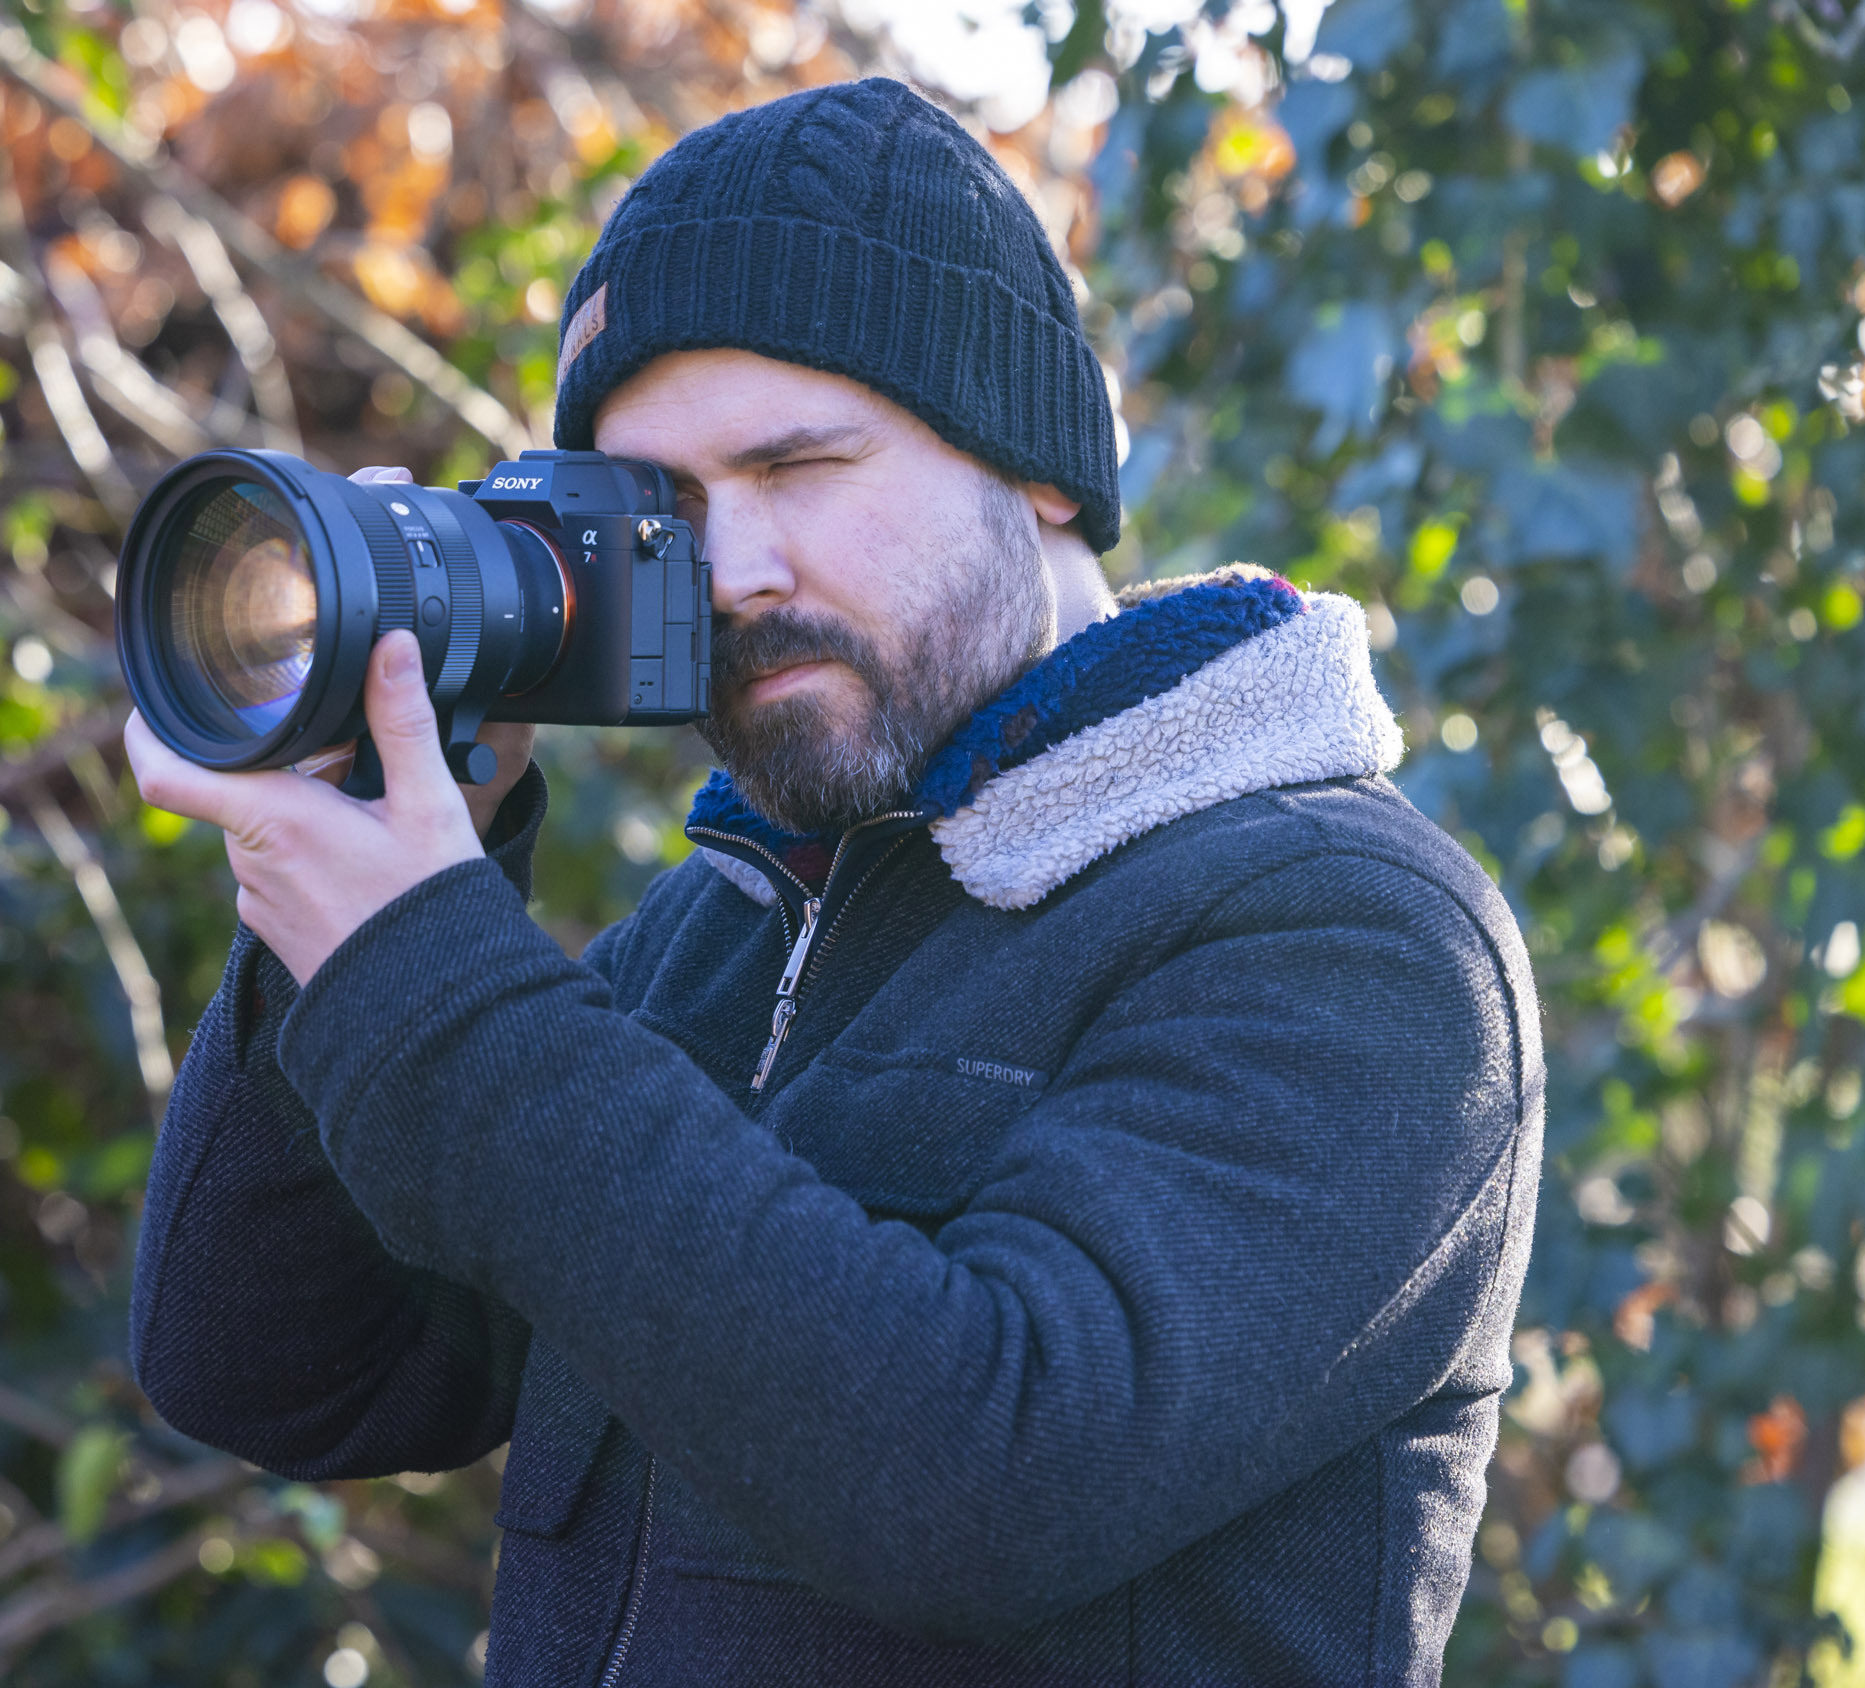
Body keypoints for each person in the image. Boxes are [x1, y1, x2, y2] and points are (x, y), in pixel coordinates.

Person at [121, 77, 1540, 1686]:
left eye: (800, 464)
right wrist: (363, 858)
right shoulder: (729, 928)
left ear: (1041, 471)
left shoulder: (1354, 939)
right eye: (671, 509)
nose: (736, 574)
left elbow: (980, 1484)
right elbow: (269, 1368)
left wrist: (430, 977)